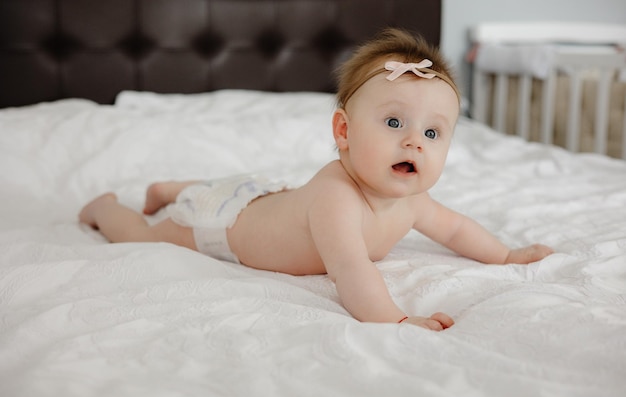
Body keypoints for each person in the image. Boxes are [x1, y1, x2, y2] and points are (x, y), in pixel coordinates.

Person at [79, 28, 554, 331]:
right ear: (343, 131)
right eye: (394, 123)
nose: (414, 143)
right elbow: (350, 269)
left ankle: (171, 188)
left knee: (232, 189)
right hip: (222, 228)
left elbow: (454, 228)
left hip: (268, 200)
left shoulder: (413, 198)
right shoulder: (336, 198)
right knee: (144, 236)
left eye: (432, 132)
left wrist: (506, 255)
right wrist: (397, 319)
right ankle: (106, 208)